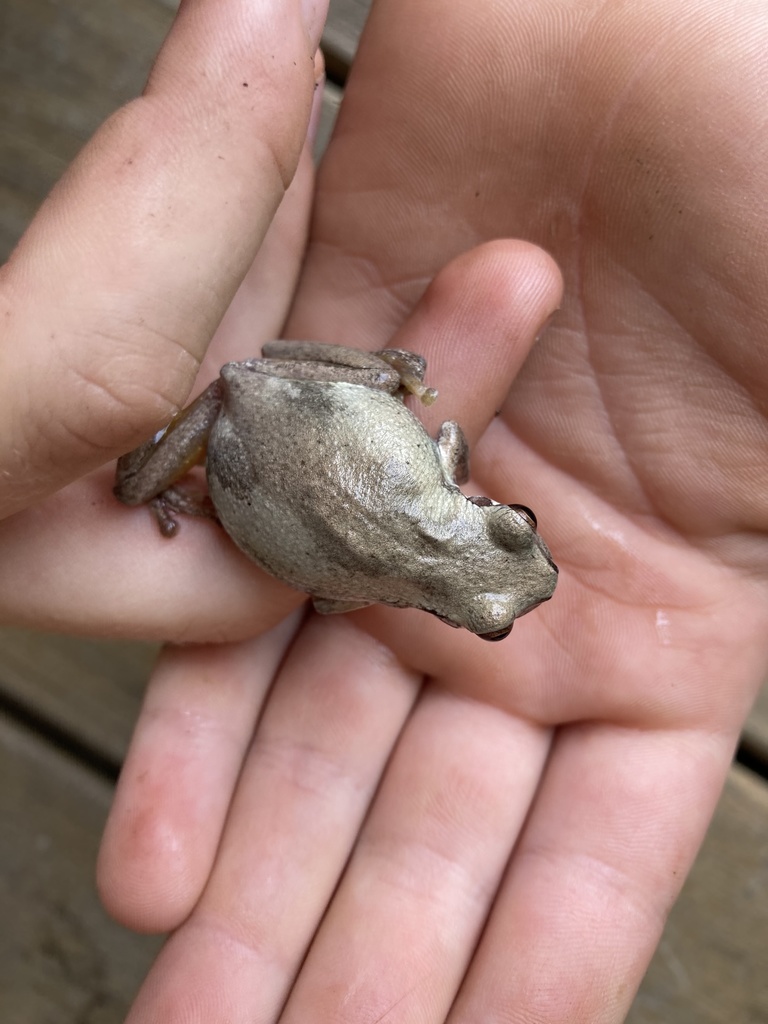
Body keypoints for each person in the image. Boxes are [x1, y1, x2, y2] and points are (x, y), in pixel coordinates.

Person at [2, 0, 767, 1021]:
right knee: (274, 481)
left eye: (496, 563)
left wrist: (402, 412)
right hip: (254, 429)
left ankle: (158, 482)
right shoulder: (372, 592)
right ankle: (152, 481)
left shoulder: (441, 482)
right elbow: (320, 599)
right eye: (516, 529)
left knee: (344, 399)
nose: (507, 534)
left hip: (270, 406)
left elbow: (424, 459)